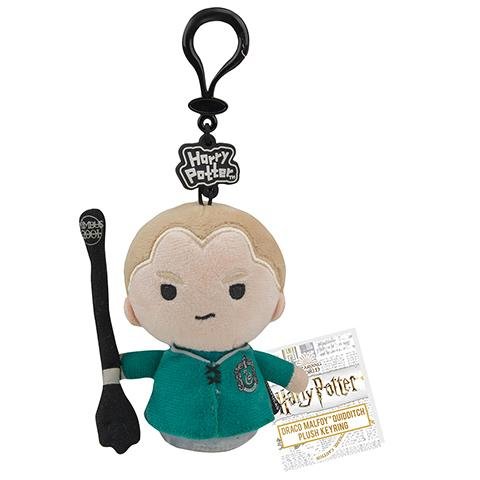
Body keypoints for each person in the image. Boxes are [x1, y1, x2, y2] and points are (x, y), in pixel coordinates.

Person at [121, 202, 308, 452]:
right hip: (176, 427)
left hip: (242, 429)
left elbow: (272, 367)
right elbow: (139, 363)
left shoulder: (244, 357)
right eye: (168, 290)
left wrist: (115, 367)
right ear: (132, 309)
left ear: (277, 304)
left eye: (237, 289)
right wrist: (117, 367)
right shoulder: (171, 359)